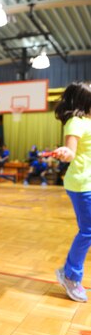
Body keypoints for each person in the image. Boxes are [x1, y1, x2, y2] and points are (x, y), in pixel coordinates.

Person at [54, 81, 91, 303]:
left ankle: (68, 270)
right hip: (81, 184)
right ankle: (70, 276)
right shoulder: (76, 122)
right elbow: (70, 151)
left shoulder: (88, 121)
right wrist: (65, 153)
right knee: (88, 231)